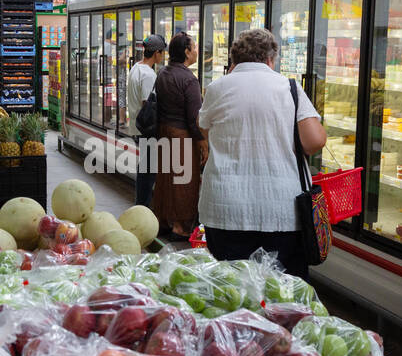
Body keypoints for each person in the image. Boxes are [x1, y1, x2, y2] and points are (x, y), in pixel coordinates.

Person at [197, 28, 327, 280]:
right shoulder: (289, 88)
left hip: (226, 209)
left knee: (232, 289)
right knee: (282, 291)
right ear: (271, 59)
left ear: (233, 61)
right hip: (281, 212)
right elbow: (313, 142)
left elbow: (202, 126)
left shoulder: (217, 88)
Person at [151, 32, 205, 238]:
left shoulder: (163, 73)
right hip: (182, 136)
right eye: (195, 47)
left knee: (166, 179)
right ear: (186, 52)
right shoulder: (189, 80)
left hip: (163, 133)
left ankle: (164, 220)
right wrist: (202, 143)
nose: (197, 51)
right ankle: (180, 226)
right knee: (184, 182)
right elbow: (195, 118)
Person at [126, 34, 164, 207]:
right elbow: (147, 104)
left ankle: (141, 205)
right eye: (162, 52)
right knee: (148, 172)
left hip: (136, 126)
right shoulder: (148, 74)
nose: (163, 56)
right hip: (146, 129)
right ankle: (143, 207)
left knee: (145, 168)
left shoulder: (136, 67)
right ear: (156, 53)